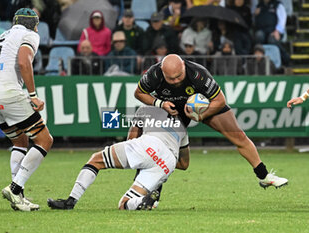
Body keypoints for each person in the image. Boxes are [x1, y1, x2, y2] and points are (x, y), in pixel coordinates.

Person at [135, 54, 288, 189]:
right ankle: (151, 188)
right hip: (171, 109)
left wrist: (201, 115)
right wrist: (161, 104)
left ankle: (264, 176)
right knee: (175, 159)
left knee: (238, 136)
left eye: (178, 76)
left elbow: (220, 100)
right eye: (171, 78)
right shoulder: (154, 74)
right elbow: (139, 93)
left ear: (183, 65)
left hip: (204, 107)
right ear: (162, 72)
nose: (175, 81)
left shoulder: (198, 73)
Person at [47, 105, 190, 210]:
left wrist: (145, 159)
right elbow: (184, 164)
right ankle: (143, 201)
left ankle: (70, 202)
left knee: (96, 160)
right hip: (168, 163)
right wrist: (156, 161)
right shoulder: (183, 128)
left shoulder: (146, 109)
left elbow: (131, 139)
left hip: (150, 143)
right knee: (124, 204)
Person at [0, 8, 53, 211]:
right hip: (8, 93)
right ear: (34, 24)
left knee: (20, 140)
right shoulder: (29, 35)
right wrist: (32, 95)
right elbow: (23, 61)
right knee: (45, 140)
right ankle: (15, 188)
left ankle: (18, 196)